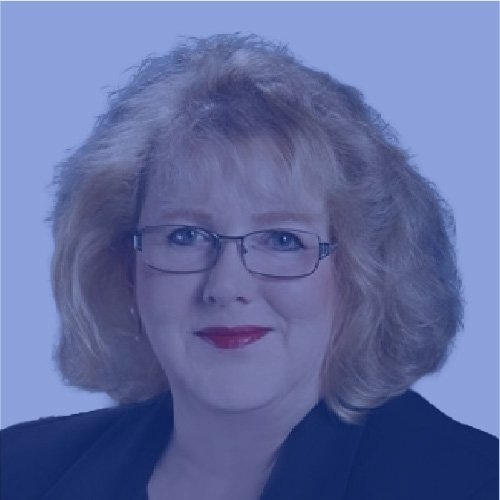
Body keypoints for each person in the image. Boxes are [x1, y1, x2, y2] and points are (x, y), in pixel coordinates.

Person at [1, 33, 498, 500]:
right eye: (184, 236)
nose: (226, 285)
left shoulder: (473, 483)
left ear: (362, 273)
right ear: (123, 268)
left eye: (282, 240)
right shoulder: (18, 471)